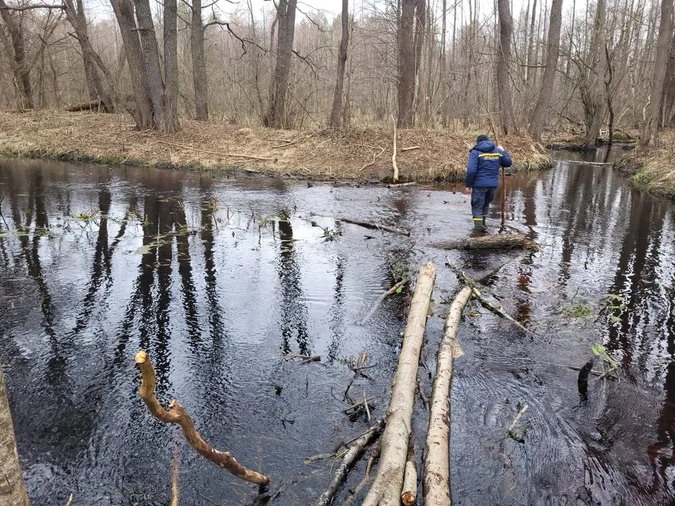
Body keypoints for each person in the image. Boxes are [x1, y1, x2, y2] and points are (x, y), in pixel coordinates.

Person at [465, 134, 512, 232]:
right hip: (492, 185)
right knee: (485, 205)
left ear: (478, 142)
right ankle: (483, 226)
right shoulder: (498, 151)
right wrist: (503, 151)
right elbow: (508, 163)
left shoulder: (475, 152)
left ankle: (478, 230)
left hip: (479, 185)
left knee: (477, 206)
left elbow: (471, 171)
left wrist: (468, 185)